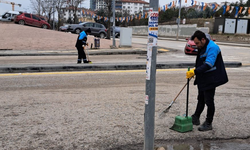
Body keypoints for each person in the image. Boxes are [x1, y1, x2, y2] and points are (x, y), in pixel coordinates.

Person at [186, 30, 228, 131]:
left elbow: (209, 64)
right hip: (204, 77)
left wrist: (195, 72)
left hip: (212, 78)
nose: (196, 45)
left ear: (203, 40)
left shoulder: (212, 47)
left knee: (209, 100)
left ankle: (208, 123)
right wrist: (196, 72)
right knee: (201, 98)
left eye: (197, 43)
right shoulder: (202, 46)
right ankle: (196, 117)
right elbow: (201, 61)